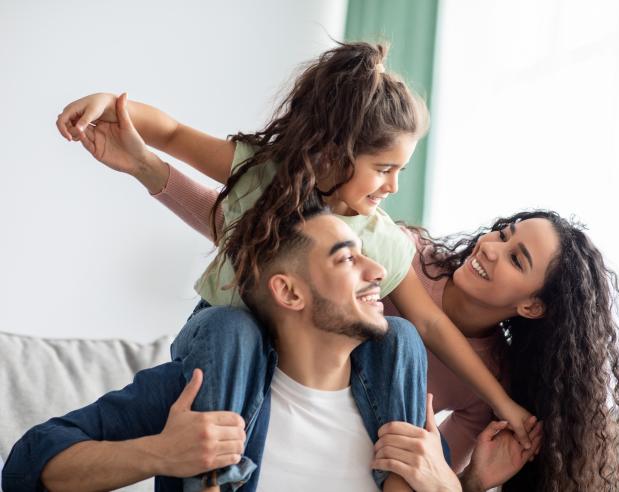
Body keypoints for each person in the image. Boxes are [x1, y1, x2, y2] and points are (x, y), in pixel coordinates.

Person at [55, 41, 537, 485]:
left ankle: (398, 479)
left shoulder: (382, 240)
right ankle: (217, 478)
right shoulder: (265, 175)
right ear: (334, 153)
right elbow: (176, 134)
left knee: (402, 335)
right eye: (384, 169)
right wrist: (110, 106)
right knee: (231, 328)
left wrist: (504, 404)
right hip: (225, 339)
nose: (392, 187)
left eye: (401, 171)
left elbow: (429, 323)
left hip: (312, 358)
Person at [3, 207, 431, 491]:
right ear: (289, 292)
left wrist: (460, 481)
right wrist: (161, 453)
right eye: (346, 259)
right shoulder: (203, 393)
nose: (377, 270)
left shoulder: (395, 406)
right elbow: (27, 464)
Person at [374, 212, 619, 490]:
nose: (489, 247)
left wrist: (474, 480)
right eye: (502, 235)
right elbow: (428, 323)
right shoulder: (405, 253)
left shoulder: (495, 376)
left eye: (515, 259)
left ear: (531, 307)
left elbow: (428, 475)